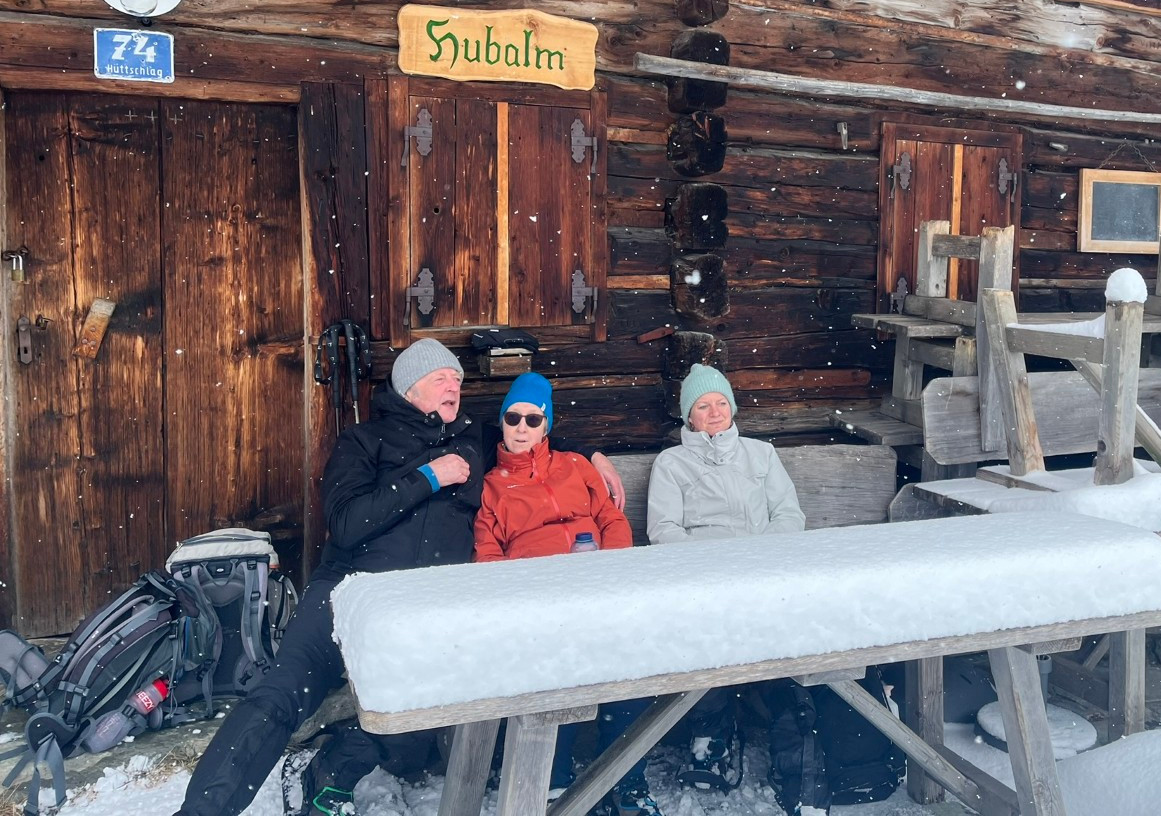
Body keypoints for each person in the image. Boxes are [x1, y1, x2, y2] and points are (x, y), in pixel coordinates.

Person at [173, 340, 626, 816]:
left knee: (421, 719)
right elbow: (346, 523)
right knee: (282, 696)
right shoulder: (364, 441)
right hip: (349, 590)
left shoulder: (474, 438)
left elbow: (531, 432)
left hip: (424, 606)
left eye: (457, 380)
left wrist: (594, 454)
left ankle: (331, 769)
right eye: (441, 379)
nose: (454, 386)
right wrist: (428, 477)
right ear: (410, 388)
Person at [473, 372, 664, 816]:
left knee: (631, 663)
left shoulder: (575, 465)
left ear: (547, 425)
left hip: (598, 585)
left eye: (533, 419)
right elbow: (487, 555)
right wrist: (524, 595)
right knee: (555, 671)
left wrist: (609, 569)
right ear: (501, 423)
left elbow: (611, 519)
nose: (522, 428)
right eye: (513, 418)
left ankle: (625, 779)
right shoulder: (491, 486)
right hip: (539, 598)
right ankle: (554, 782)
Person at [648, 364, 826, 816]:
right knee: (709, 635)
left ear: (732, 407)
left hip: (766, 572)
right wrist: (711, 564)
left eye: (720, 403)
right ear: (689, 417)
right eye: (703, 406)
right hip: (705, 579)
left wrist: (761, 556)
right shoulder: (672, 463)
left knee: (797, 639)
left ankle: (796, 749)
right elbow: (663, 530)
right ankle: (712, 736)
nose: (714, 412)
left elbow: (788, 515)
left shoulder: (760, 455)